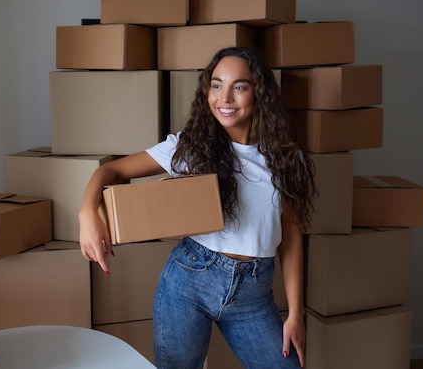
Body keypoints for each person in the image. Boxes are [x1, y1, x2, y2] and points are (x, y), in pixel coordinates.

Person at [79, 46, 317, 369]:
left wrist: (296, 313)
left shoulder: (285, 159)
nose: (225, 98)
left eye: (239, 86)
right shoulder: (190, 149)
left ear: (259, 93)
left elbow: (290, 239)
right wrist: (87, 213)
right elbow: (110, 171)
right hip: (189, 282)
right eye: (216, 85)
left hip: (254, 296)